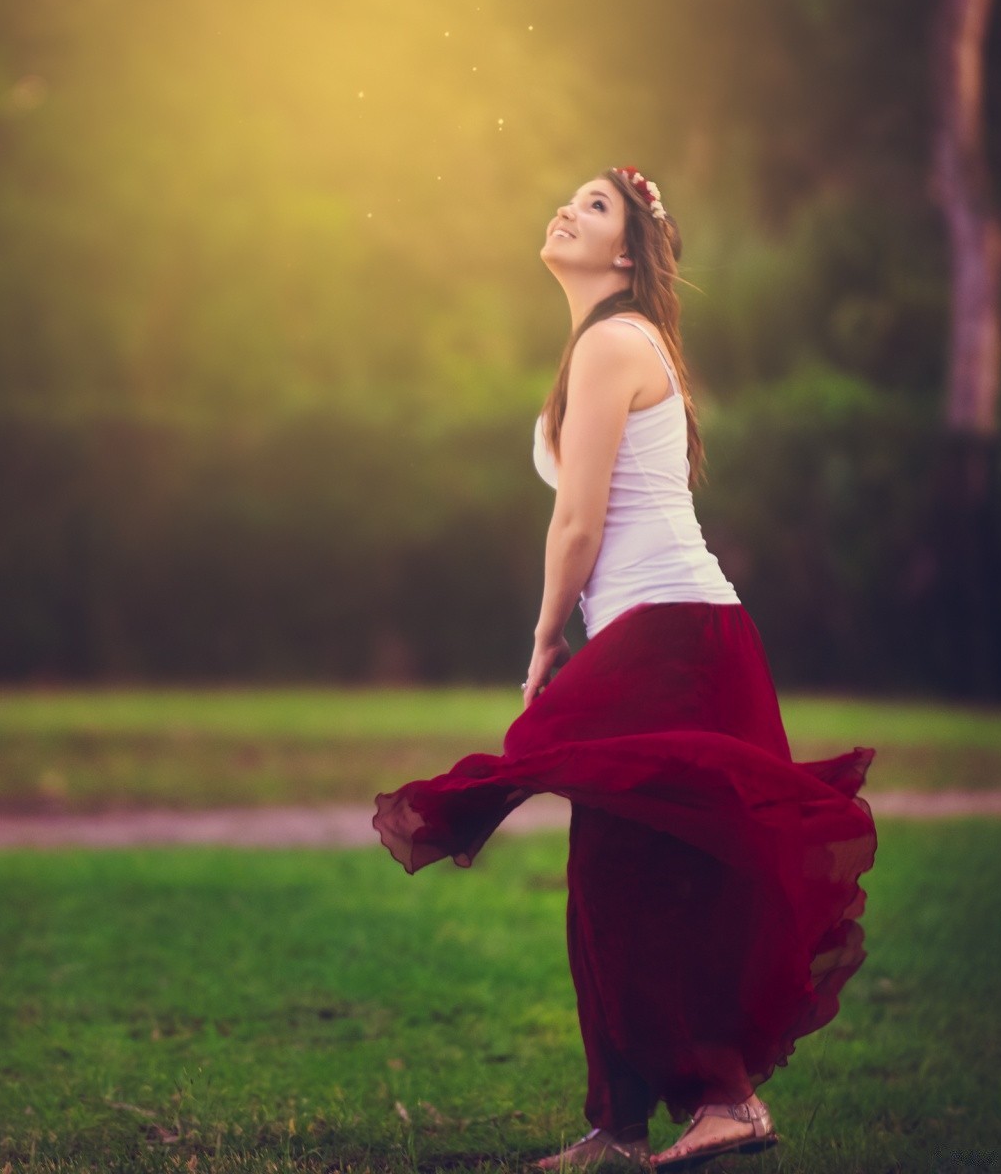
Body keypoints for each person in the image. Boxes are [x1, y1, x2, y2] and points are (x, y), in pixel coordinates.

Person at [371, 167, 879, 1171]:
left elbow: (579, 518)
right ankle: (618, 1122)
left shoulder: (612, 341)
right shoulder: (596, 346)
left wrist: (545, 639)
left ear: (627, 255)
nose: (566, 206)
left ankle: (721, 1099)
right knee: (608, 873)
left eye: (596, 205)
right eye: (568, 195)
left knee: (603, 845)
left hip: (676, 635)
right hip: (667, 634)